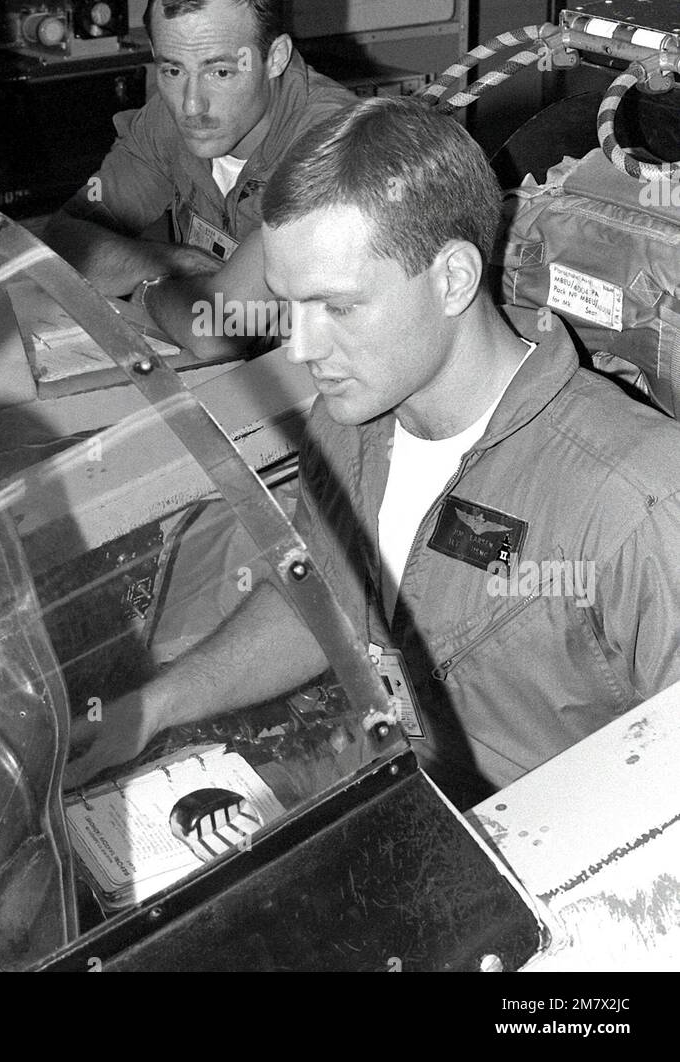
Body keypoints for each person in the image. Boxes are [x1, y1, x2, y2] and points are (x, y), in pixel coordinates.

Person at [66, 96, 680, 809]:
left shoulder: (638, 506)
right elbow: (325, 596)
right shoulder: (351, 421)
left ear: (451, 278)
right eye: (289, 306)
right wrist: (156, 707)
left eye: (339, 307)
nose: (300, 347)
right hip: (397, 797)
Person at [44, 0, 353, 356]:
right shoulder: (168, 119)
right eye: (173, 69)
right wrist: (165, 260)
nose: (191, 105)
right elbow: (63, 242)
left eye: (220, 71)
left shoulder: (331, 149)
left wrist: (151, 286)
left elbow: (218, 331)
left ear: (276, 57)